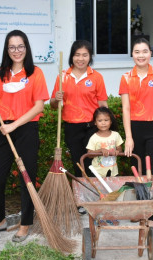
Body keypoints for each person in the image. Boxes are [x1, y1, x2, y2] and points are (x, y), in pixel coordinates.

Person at [0, 30, 49, 242]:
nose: (17, 51)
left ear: (27, 48)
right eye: (12, 47)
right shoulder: (0, 73)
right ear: (7, 49)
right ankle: (0, 220)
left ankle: (25, 223)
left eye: (21, 46)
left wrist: (14, 125)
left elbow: (39, 106)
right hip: (3, 130)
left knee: (27, 178)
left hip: (26, 129)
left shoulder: (35, 72)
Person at [119, 38, 153, 224]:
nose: (141, 55)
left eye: (145, 51)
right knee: (137, 171)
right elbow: (125, 109)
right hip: (135, 128)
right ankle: (140, 210)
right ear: (132, 54)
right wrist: (129, 137)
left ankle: (152, 216)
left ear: (150, 53)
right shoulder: (126, 77)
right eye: (137, 52)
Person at [50, 40, 108, 178]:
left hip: (91, 127)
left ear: (90, 57)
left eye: (85, 55)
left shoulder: (96, 77)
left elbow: (103, 105)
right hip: (72, 127)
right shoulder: (62, 76)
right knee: (77, 162)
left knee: (92, 163)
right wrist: (56, 99)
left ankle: (96, 194)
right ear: (72, 56)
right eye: (77, 55)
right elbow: (53, 105)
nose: (80, 59)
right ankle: (81, 195)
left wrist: (106, 127)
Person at [86, 107, 124, 177]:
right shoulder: (94, 138)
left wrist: (117, 151)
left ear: (111, 121)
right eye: (100, 121)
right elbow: (89, 154)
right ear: (95, 122)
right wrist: (100, 151)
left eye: (106, 120)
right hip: (97, 173)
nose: (103, 123)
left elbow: (120, 149)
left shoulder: (116, 135)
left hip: (113, 171)